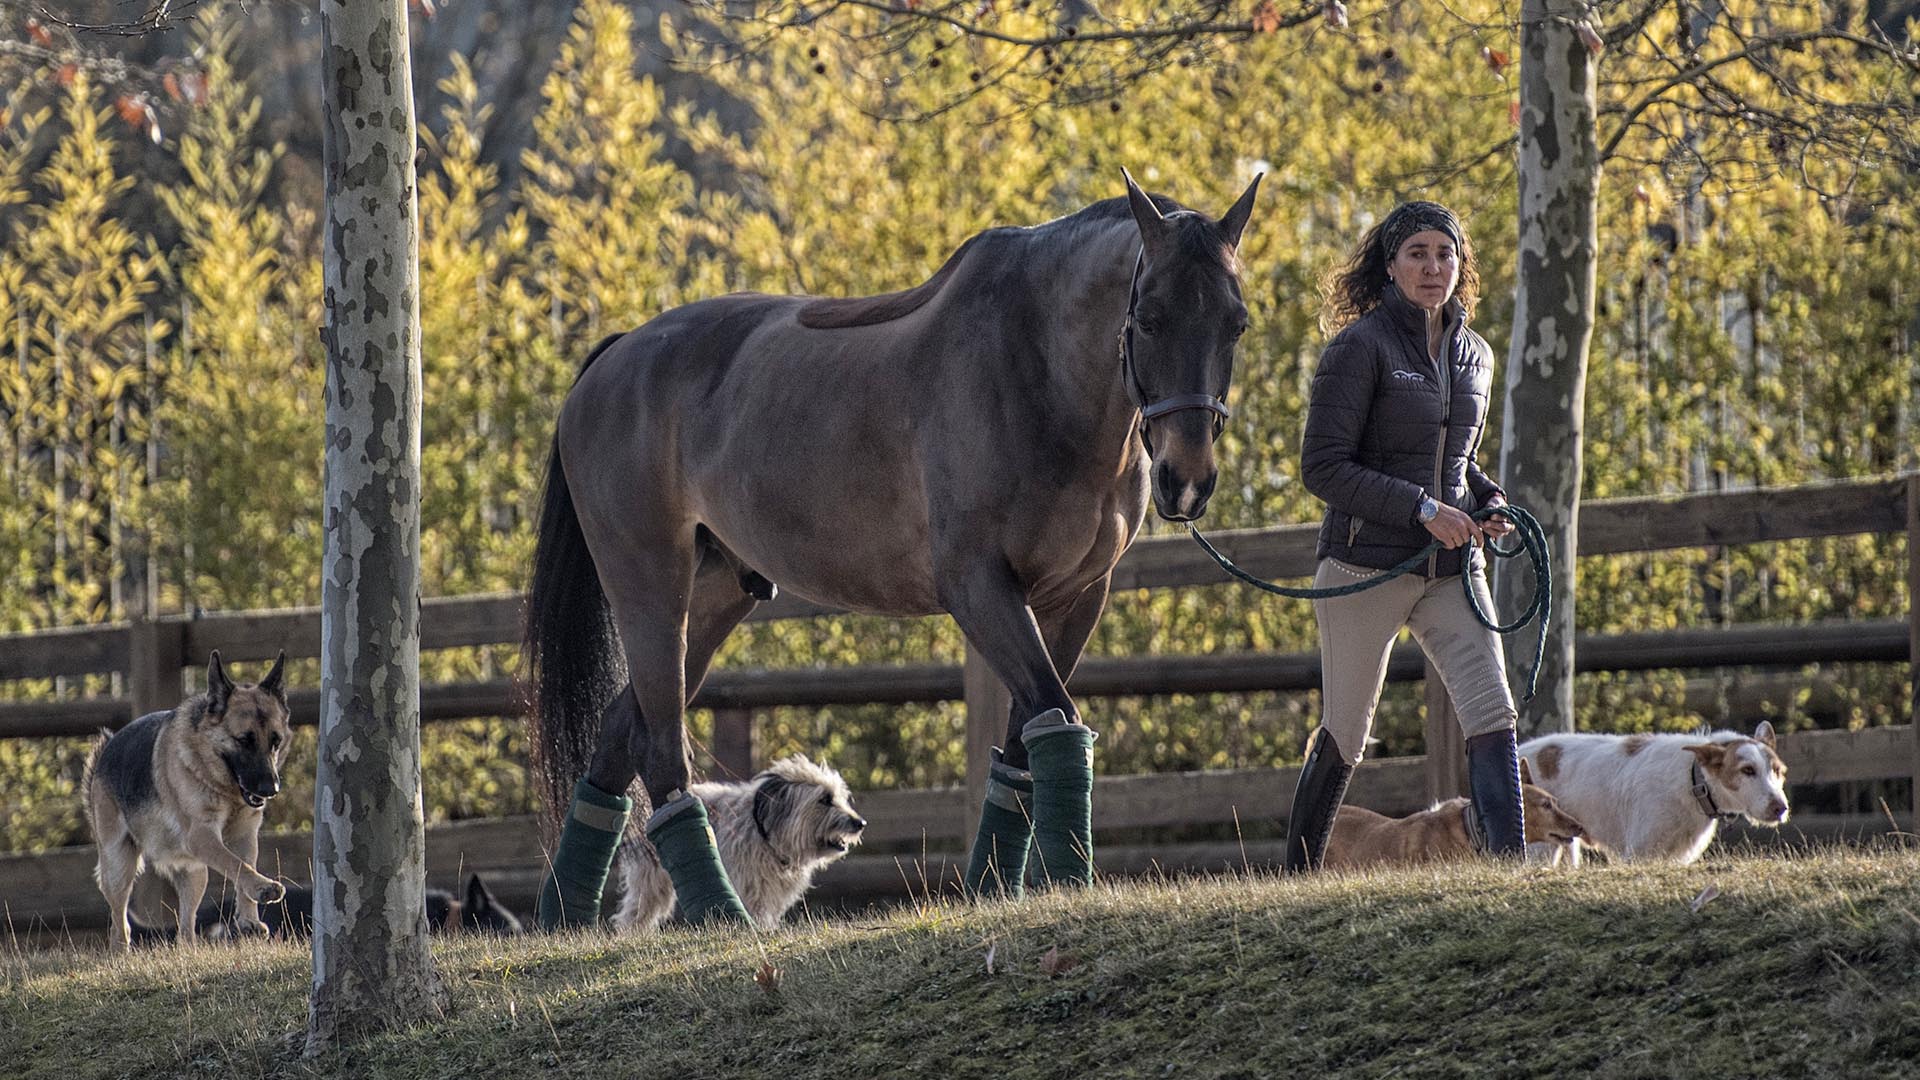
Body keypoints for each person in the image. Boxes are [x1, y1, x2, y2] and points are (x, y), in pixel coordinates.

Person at [1285, 200, 1522, 870]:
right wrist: (1422, 509)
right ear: (1389, 266)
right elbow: (1323, 467)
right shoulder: (1357, 350)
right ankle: (1296, 876)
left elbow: (1458, 462)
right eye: (1417, 253)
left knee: (1492, 713)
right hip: (1366, 569)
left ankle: (1511, 871)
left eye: (1444, 254)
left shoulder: (1477, 355)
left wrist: (1491, 500)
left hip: (1451, 571)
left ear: (1461, 265)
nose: (1432, 266)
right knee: (1347, 732)